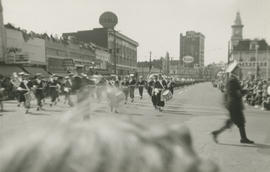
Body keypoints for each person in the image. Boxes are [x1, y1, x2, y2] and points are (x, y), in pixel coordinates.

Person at [211, 73, 254, 144]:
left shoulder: (230, 81)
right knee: (240, 122)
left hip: (232, 105)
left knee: (233, 122)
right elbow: (238, 93)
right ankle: (243, 138)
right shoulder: (234, 81)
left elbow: (233, 93)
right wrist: (246, 91)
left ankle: (216, 133)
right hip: (235, 105)